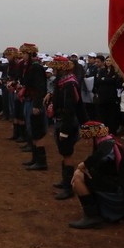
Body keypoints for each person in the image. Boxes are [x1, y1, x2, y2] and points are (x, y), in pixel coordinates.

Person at [68, 121, 124, 229]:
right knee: (81, 175)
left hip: (117, 191)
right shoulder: (109, 141)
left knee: (77, 178)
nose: (86, 141)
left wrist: (84, 165)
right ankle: (110, 212)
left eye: (87, 137)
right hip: (120, 189)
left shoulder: (106, 146)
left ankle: (92, 216)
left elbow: (100, 157)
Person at [49, 56, 82, 199]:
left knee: (67, 152)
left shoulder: (69, 84)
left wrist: (65, 130)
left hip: (67, 122)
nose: (54, 70)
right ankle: (65, 181)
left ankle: (68, 188)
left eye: (56, 68)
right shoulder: (62, 82)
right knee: (64, 152)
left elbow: (71, 109)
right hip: (61, 120)